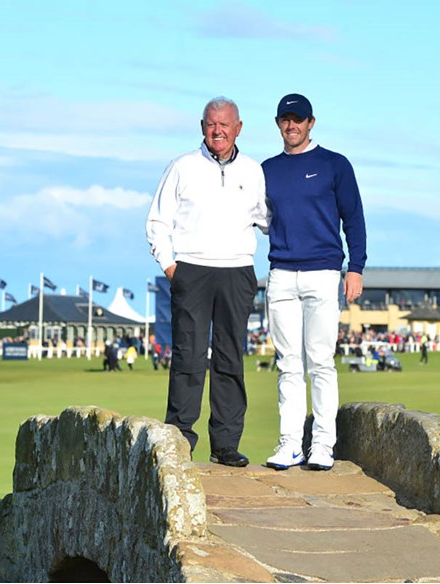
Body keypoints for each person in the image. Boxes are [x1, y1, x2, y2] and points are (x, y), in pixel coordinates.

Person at [145, 96, 269, 468]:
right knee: (188, 356)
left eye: (225, 124)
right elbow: (157, 223)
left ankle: (226, 444)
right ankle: (180, 440)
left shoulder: (252, 170)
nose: (218, 130)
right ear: (203, 127)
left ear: (238, 128)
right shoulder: (182, 167)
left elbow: (268, 221)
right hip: (192, 271)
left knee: (231, 359)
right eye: (211, 124)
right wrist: (172, 269)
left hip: (237, 272)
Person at [262, 93, 367, 472]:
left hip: (323, 272)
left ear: (311, 123)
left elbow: (353, 218)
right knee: (288, 363)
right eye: (286, 120)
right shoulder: (267, 170)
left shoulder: (334, 165)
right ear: (278, 124)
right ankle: (290, 443)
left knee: (320, 361)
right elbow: (258, 217)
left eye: (299, 119)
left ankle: (322, 443)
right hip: (281, 273)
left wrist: (356, 267)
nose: (292, 126)